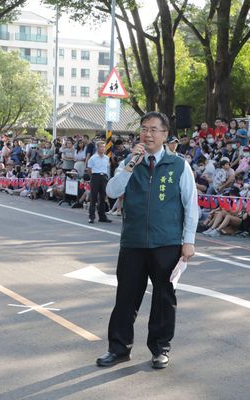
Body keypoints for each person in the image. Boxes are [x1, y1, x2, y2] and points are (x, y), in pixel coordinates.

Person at [97, 111, 198, 370]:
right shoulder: (130, 163)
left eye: (154, 129)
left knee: (164, 298)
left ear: (165, 135)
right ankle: (118, 349)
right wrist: (131, 165)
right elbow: (111, 191)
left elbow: (191, 205)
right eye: (144, 129)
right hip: (132, 242)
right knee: (126, 298)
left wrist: (188, 241)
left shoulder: (178, 165)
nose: (148, 134)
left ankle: (160, 348)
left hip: (167, 243)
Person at [86, 142, 112, 224]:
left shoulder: (106, 158)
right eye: (101, 147)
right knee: (93, 198)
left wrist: (107, 177)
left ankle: (102, 216)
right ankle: (91, 217)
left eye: (104, 147)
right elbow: (89, 169)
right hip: (95, 176)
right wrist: (93, 177)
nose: (103, 149)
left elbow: (107, 168)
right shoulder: (93, 158)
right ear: (97, 148)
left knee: (102, 198)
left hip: (104, 177)